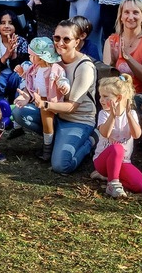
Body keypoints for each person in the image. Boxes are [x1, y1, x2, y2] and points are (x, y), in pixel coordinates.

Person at [14, 19, 98, 174]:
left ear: (77, 42)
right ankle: (55, 140)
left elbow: (72, 106)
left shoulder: (84, 67)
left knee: (61, 166)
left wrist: (44, 105)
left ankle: (90, 141)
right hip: (55, 115)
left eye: (66, 39)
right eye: (57, 38)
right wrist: (28, 97)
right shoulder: (51, 60)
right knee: (19, 112)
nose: (60, 43)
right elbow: (38, 86)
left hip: (77, 120)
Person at [102, 0, 142, 119]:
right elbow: (106, 81)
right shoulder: (112, 41)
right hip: (118, 94)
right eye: (126, 12)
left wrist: (127, 57)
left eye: (135, 12)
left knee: (128, 103)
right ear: (121, 17)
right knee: (104, 99)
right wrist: (112, 63)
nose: (130, 17)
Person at [92, 76, 142, 198]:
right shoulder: (104, 114)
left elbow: (137, 135)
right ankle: (113, 184)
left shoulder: (131, 114)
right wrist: (113, 116)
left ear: (119, 98)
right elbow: (105, 133)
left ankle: (109, 177)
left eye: (106, 96)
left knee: (140, 186)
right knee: (117, 148)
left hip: (123, 162)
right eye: (101, 96)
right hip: (102, 161)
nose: (101, 100)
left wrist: (129, 115)